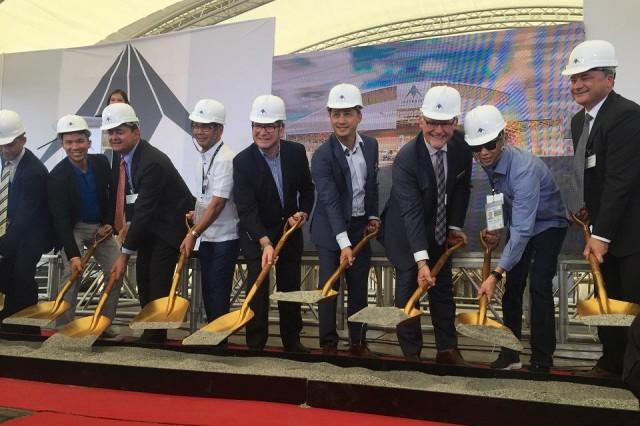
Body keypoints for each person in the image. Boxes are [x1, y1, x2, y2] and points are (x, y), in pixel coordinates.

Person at [467, 105, 569, 373]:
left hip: (549, 225)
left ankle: (542, 359)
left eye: (489, 144)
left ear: (502, 138)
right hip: (521, 222)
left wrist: (495, 274)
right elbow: (496, 195)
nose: (483, 153)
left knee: (538, 285)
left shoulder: (523, 169)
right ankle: (510, 354)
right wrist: (496, 229)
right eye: (476, 148)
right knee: (513, 289)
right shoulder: (489, 162)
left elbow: (524, 230)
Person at [562, 40, 640, 378]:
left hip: (631, 234)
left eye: (586, 76)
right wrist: (586, 214)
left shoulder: (626, 116)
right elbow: (590, 174)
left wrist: (602, 235)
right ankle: (611, 363)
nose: (577, 84)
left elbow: (621, 181)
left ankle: (633, 371)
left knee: (632, 305)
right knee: (608, 298)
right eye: (573, 78)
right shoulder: (580, 122)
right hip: (602, 231)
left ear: (609, 79)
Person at [381, 86, 472, 364]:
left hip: (438, 230)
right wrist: (422, 262)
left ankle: (447, 349)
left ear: (455, 123)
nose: (438, 130)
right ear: (420, 121)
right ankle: (412, 355)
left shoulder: (461, 148)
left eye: (445, 123)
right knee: (409, 289)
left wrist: (454, 226)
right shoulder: (407, 158)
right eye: (432, 122)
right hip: (404, 234)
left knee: (442, 289)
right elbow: (411, 213)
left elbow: (461, 190)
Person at [104, 103, 195, 343]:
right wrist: (129, 225)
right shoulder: (127, 159)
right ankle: (151, 330)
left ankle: (156, 335)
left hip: (169, 228)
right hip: (150, 227)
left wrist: (123, 255)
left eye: (120, 131)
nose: (114, 137)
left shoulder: (151, 161)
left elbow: (145, 209)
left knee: (157, 279)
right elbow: (135, 200)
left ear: (136, 132)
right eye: (110, 132)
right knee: (144, 278)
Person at [233, 94, 314, 353]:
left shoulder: (296, 152)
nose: (263, 132)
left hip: (289, 232)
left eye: (269, 126)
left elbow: (307, 190)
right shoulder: (242, 162)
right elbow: (246, 209)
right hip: (256, 234)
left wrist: (303, 213)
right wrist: (265, 242)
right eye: (258, 125)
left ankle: (292, 341)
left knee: (290, 287)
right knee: (257, 286)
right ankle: (255, 343)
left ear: (281, 128)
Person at [311, 83, 380, 356]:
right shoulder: (322, 156)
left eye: (347, 113)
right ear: (329, 116)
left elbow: (371, 186)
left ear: (359, 116)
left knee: (359, 289)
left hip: (359, 227)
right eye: (336, 114)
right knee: (329, 290)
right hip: (330, 232)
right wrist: (343, 243)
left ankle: (358, 344)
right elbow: (329, 202)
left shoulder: (371, 146)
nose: (341, 120)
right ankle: (328, 345)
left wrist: (372, 216)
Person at [48, 115, 122, 331]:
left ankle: (103, 323)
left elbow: (111, 194)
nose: (75, 147)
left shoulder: (100, 163)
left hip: (100, 226)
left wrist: (109, 222)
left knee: (116, 271)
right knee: (72, 274)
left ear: (89, 142)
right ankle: (63, 328)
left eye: (80, 141)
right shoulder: (57, 177)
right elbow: (60, 220)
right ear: (62, 144)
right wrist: (73, 255)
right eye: (69, 142)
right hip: (74, 229)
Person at [180, 99, 240, 327]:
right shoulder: (204, 156)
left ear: (219, 129)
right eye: (196, 126)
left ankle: (219, 343)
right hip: (208, 236)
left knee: (217, 296)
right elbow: (206, 200)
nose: (199, 131)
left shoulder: (225, 159)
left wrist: (193, 233)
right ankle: (213, 340)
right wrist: (196, 214)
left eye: (206, 127)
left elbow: (217, 204)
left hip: (224, 238)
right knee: (209, 294)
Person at [0, 110, 53, 334]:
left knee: (22, 275)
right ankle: (8, 319)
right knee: (5, 274)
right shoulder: (5, 158)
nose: (4, 150)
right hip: (11, 227)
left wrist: (3, 247)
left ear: (23, 139)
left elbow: (25, 218)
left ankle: (27, 326)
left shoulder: (34, 172)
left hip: (33, 234)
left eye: (9, 145)